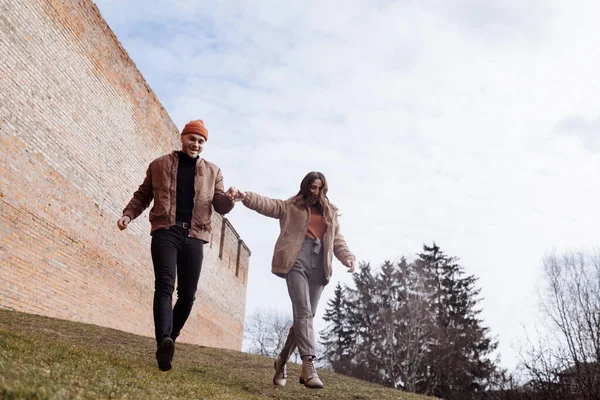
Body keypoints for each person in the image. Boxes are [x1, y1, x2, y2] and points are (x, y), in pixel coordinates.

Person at [117, 119, 234, 371]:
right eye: (192, 138)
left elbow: (221, 207)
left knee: (188, 295)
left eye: (201, 141)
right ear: (182, 138)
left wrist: (230, 199)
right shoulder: (159, 164)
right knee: (164, 285)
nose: (196, 144)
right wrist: (128, 214)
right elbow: (143, 194)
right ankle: (163, 340)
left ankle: (171, 338)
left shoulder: (214, 172)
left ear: (204, 145)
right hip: (165, 232)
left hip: (195, 236)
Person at [226, 172, 355, 389]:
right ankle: (308, 366)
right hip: (296, 260)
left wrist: (348, 257)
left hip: (320, 265)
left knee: (305, 318)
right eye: (312, 187)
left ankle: (282, 360)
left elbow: (337, 240)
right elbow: (267, 204)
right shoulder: (291, 206)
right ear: (305, 186)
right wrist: (245, 196)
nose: (315, 192)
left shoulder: (330, 212)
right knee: (303, 311)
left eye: (320, 188)